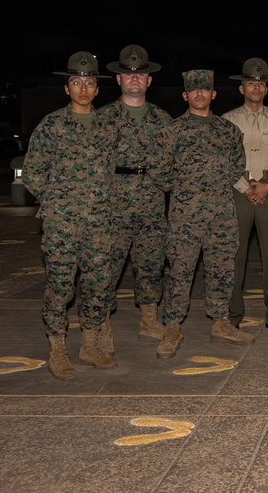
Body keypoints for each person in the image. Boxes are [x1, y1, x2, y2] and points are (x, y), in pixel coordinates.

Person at [23, 51, 118, 379]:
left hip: (99, 224)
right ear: (67, 88)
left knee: (97, 285)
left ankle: (89, 344)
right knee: (60, 287)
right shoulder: (52, 125)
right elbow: (31, 173)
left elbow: (113, 174)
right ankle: (58, 349)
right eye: (76, 82)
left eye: (89, 83)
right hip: (62, 225)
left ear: (96, 89)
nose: (82, 88)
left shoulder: (108, 126)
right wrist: (57, 203)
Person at [150, 69, 254, 358]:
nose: (199, 94)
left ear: (213, 94)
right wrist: (184, 189)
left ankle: (220, 323)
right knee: (180, 273)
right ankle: (172, 327)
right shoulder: (171, 132)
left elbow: (237, 165)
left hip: (221, 214)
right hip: (185, 217)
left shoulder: (228, 131)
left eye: (205, 90)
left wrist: (215, 187)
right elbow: (158, 171)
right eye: (194, 90)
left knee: (222, 271)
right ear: (185, 95)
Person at [98, 44, 171, 349]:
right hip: (113, 204)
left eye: (140, 74)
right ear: (118, 80)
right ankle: (99, 327)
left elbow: (171, 162)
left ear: (149, 80)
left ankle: (149, 321)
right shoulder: (103, 118)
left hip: (152, 203)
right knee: (106, 267)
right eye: (128, 75)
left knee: (152, 265)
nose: (134, 79)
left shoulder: (162, 119)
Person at [223, 58, 268, 333]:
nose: (256, 87)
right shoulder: (228, 120)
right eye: (251, 82)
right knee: (234, 253)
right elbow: (224, 160)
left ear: (266, 89)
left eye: (261, 83)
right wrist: (245, 187)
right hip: (238, 190)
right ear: (242, 88)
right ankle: (232, 315)